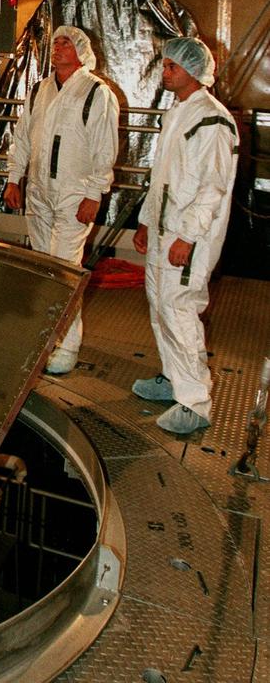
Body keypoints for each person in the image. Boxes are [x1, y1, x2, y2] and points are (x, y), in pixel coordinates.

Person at [132, 37, 239, 435]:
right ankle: (172, 377)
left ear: (192, 71)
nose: (165, 72)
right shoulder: (178, 113)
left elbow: (212, 188)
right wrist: (145, 221)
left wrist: (188, 237)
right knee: (160, 306)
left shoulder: (211, 120)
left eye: (171, 67)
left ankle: (194, 402)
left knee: (179, 310)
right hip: (165, 229)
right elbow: (162, 177)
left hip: (189, 236)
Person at [3, 25, 119, 374]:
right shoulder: (41, 89)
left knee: (65, 270)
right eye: (55, 42)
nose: (58, 46)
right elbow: (23, 136)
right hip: (39, 192)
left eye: (67, 42)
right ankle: (42, 341)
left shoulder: (97, 93)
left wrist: (94, 194)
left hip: (74, 195)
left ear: (82, 51)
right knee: (42, 268)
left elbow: (104, 148)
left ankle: (66, 349)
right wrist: (13, 178)